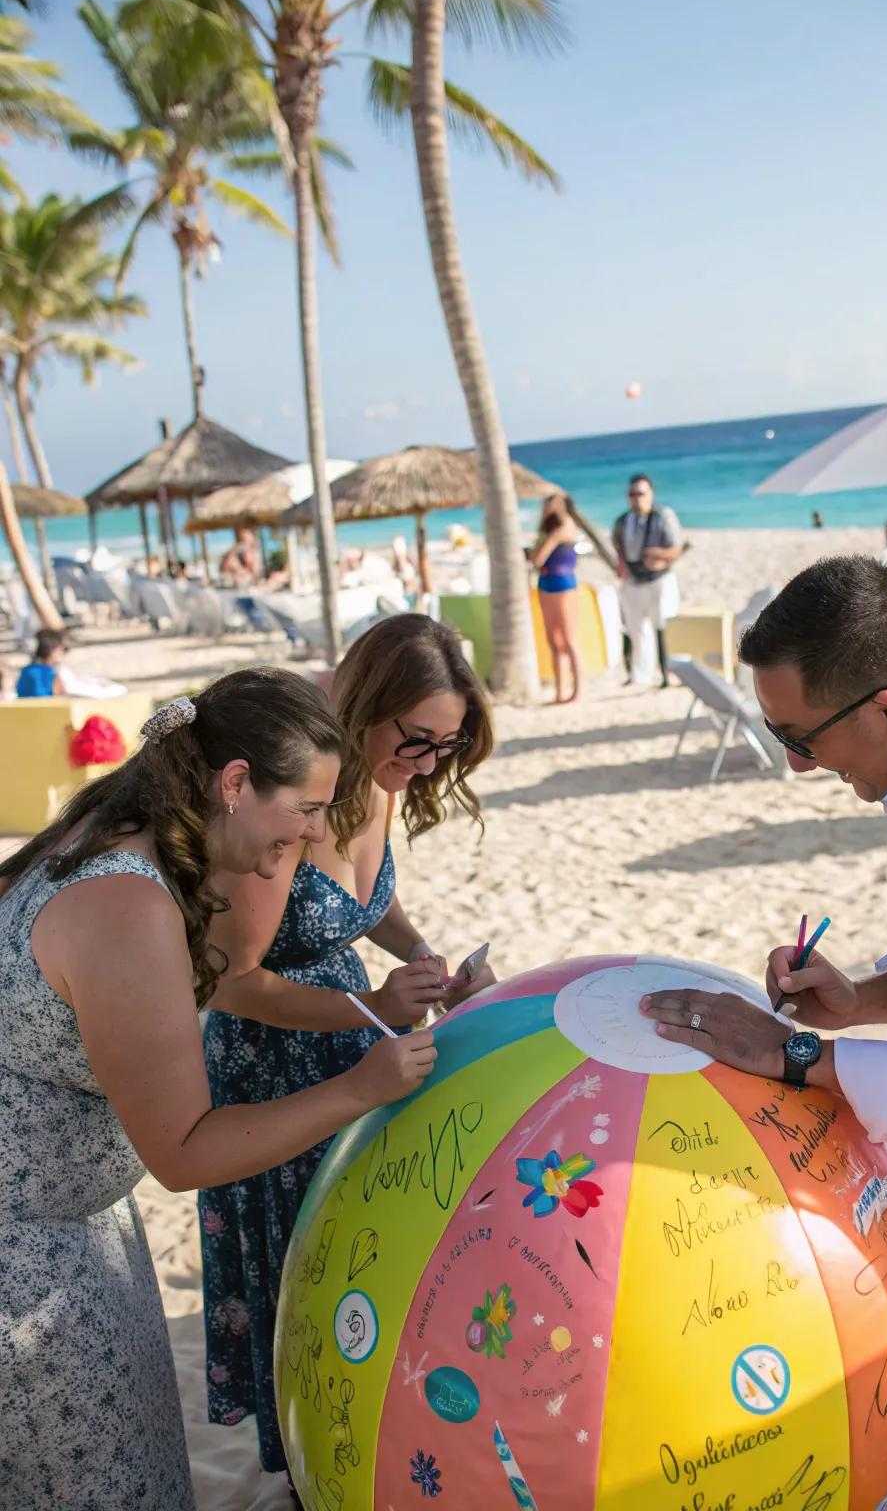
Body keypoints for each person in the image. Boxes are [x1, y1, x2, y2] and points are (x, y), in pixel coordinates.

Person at [0, 669, 437, 1510]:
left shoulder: (124, 831)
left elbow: (221, 985)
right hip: (29, 1264)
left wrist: (369, 1014)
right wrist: (359, 1087)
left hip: (70, 1224)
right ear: (234, 784)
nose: (314, 837)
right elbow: (185, 1150)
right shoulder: (127, 904)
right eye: (307, 810)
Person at [200, 613, 495, 1475]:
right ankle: (306, 1454)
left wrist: (421, 957)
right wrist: (369, 1000)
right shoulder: (299, 798)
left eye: (448, 745)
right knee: (307, 1262)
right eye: (419, 738)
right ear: (368, 703)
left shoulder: (386, 778)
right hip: (274, 1058)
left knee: (362, 1250)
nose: (430, 761)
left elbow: (363, 901)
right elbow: (231, 981)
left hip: (357, 1042)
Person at [642, 555, 887, 1146]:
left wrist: (790, 1052)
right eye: (778, 735)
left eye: (801, 737)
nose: (796, 763)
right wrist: (859, 1003)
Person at [612, 474, 685, 688]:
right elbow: (618, 547)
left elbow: (676, 549)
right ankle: (640, 674)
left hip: (659, 579)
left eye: (641, 493)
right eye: (632, 494)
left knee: (663, 626)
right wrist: (622, 566)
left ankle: (667, 674)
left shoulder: (663, 516)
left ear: (650, 494)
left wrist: (659, 555)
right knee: (636, 629)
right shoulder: (623, 521)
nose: (637, 499)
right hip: (634, 580)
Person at [528, 493, 583, 704]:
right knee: (553, 639)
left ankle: (577, 691)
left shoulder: (564, 526)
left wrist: (537, 546)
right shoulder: (549, 528)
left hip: (563, 583)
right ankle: (560, 691)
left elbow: (538, 557)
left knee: (568, 639)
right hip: (547, 581)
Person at [16, 628, 67, 697]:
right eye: (60, 649)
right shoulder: (43, 672)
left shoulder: (28, 670)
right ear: (51, 651)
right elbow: (42, 698)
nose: (63, 651)